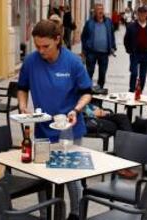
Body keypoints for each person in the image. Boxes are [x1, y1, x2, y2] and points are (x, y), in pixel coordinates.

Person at [17, 20, 92, 220]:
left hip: (69, 129)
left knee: (70, 176)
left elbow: (86, 92)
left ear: (58, 40)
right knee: (43, 176)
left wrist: (76, 109)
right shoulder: (31, 62)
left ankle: (75, 214)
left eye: (46, 46)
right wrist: (23, 106)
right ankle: (45, 215)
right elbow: (22, 87)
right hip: (43, 130)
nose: (41, 51)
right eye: (37, 46)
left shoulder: (73, 62)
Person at [83, 104, 137, 179]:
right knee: (117, 127)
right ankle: (123, 163)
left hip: (94, 114)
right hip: (85, 119)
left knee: (122, 117)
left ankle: (125, 158)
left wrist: (97, 109)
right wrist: (92, 113)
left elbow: (88, 104)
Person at [81, 3, 116, 89]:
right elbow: (83, 36)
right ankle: (87, 90)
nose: (100, 11)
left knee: (102, 73)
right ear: (95, 11)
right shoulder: (89, 23)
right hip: (91, 52)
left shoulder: (108, 22)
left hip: (104, 53)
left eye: (102, 9)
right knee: (89, 72)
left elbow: (111, 34)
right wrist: (84, 51)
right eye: (98, 9)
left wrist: (113, 47)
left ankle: (100, 90)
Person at [124, 6, 147, 92]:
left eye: (144, 13)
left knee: (143, 75)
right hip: (135, 54)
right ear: (137, 14)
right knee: (134, 73)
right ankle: (131, 90)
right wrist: (129, 50)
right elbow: (126, 39)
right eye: (140, 13)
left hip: (146, 54)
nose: (142, 15)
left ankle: (139, 91)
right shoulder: (131, 26)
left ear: (146, 14)